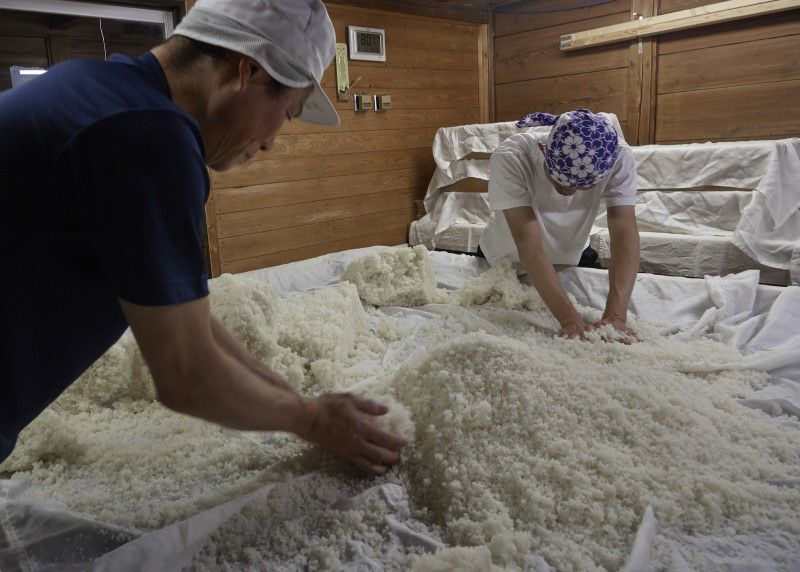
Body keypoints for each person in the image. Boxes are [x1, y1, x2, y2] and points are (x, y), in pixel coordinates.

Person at [0, 0, 406, 474]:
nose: (274, 140)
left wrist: (298, 401)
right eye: (288, 111)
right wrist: (312, 420)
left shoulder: (101, 90)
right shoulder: (148, 135)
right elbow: (186, 373)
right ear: (248, 72)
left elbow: (192, 325)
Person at [478, 109, 641, 341]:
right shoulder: (511, 156)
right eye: (560, 183)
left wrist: (616, 316)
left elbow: (624, 229)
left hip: (571, 251)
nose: (569, 192)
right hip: (507, 255)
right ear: (544, 150)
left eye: (579, 188)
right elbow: (528, 244)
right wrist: (569, 320)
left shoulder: (618, 155)